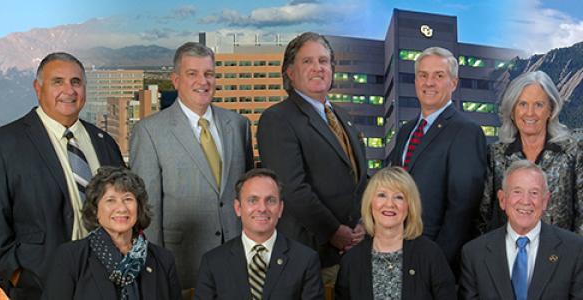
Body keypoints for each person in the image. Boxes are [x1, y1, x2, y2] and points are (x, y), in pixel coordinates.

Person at [0, 52, 124, 299]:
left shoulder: (105, 143)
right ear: (38, 88)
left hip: (108, 281)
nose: (68, 90)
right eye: (57, 82)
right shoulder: (2, 144)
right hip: (41, 284)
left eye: (76, 82)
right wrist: (16, 275)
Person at [129, 42, 253, 295]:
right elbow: (146, 210)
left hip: (238, 259)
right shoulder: (150, 132)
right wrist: (156, 269)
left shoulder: (239, 125)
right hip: (183, 262)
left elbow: (248, 193)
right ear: (175, 80)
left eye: (209, 73)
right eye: (192, 73)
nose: (203, 81)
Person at [257, 32, 367, 282]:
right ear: (290, 72)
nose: (318, 68)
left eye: (324, 61)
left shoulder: (342, 116)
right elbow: (292, 188)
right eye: (307, 61)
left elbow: (360, 178)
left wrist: (364, 223)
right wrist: (334, 231)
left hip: (352, 252)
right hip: (310, 256)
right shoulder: (277, 119)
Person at [387, 46, 486, 270]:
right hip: (399, 251)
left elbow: (462, 210)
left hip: (436, 259)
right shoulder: (406, 131)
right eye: (423, 75)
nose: (429, 82)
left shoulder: (466, 132)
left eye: (439, 76)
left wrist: (435, 263)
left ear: (454, 83)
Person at [43, 166, 182, 299]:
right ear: (95, 210)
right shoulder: (71, 257)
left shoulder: (163, 260)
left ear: (139, 208)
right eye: (111, 200)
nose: (121, 208)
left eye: (128, 199)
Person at [460, 160, 583, 299]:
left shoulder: (575, 250)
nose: (525, 201)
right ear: (502, 200)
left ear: (545, 201)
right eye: (517, 191)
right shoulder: (474, 253)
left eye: (534, 193)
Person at [479, 70, 583, 234]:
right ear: (512, 111)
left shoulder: (573, 152)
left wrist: (575, 257)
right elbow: (481, 217)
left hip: (562, 256)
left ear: (551, 110)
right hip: (508, 255)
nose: (530, 113)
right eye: (522, 104)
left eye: (539, 105)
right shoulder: (495, 155)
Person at [194, 168, 324, 299]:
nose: (262, 208)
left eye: (270, 200)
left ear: (280, 208)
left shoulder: (305, 260)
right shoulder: (213, 262)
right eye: (252, 200)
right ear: (238, 208)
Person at [336, 166, 456, 300]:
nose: (389, 204)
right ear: (370, 203)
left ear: (410, 206)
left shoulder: (431, 255)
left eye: (399, 197)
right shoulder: (351, 261)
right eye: (382, 195)